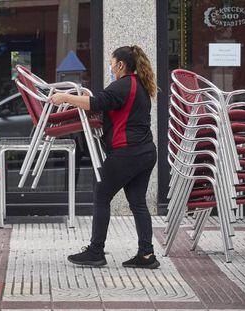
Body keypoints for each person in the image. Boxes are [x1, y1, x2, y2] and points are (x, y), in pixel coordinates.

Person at [49, 45, 159, 269]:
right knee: (138, 202)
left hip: (127, 152)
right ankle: (147, 255)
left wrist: (64, 97)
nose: (110, 67)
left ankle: (95, 251)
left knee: (101, 195)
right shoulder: (140, 85)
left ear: (120, 65)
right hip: (146, 151)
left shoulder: (123, 85)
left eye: (111, 63)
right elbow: (108, 106)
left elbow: (96, 103)